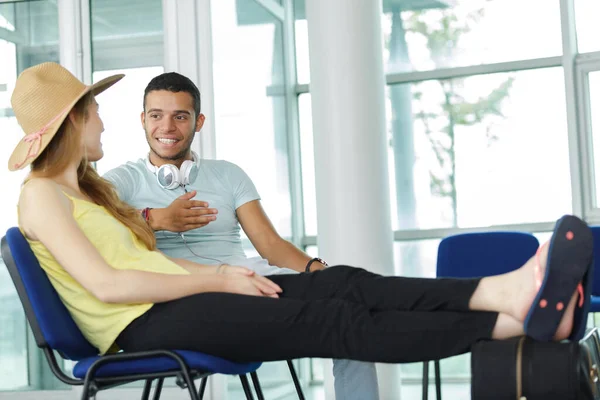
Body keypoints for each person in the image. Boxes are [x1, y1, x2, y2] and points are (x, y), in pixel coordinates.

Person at [9, 63, 594, 393]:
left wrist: (222, 273)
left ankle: (505, 292)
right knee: (332, 320)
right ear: (74, 120)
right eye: (95, 110)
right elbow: (109, 286)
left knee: (346, 284)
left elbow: (151, 264)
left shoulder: (85, 190)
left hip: (173, 300)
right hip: (138, 326)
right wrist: (216, 279)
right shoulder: (39, 196)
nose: (104, 121)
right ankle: (510, 321)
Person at [101, 72, 379, 399]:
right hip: (184, 293)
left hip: (249, 278)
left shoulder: (228, 174)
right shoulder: (119, 182)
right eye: (156, 116)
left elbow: (270, 245)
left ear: (198, 121)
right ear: (143, 120)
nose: (167, 127)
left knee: (350, 316)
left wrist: (318, 271)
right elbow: (99, 232)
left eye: (180, 116)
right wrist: (155, 219)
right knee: (330, 320)